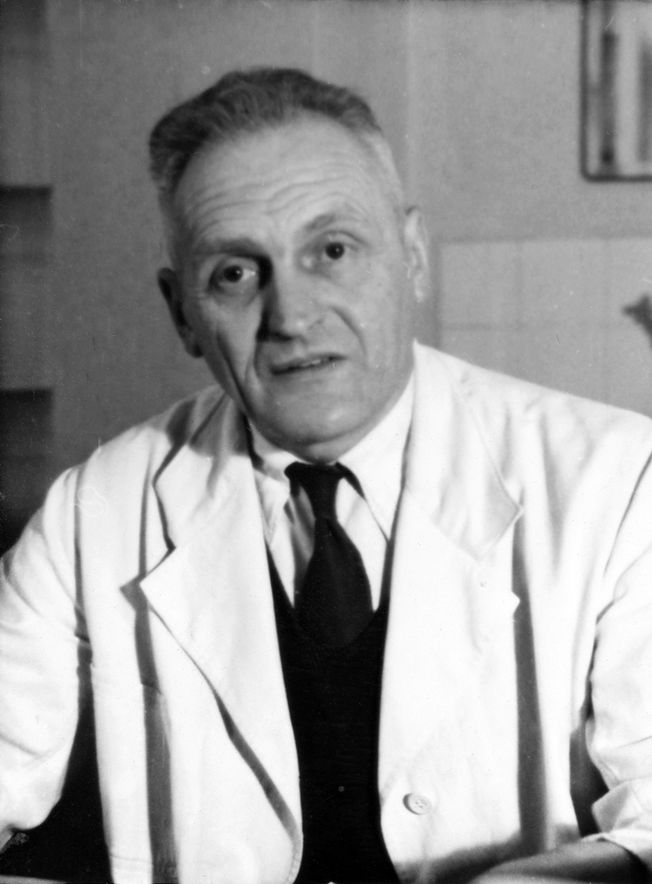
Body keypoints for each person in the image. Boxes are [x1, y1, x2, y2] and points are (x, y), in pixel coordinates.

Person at [1, 67, 651, 884]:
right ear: (182, 314)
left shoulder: (619, 483)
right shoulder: (94, 512)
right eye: (236, 273)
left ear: (412, 257)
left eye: (332, 251)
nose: (293, 317)